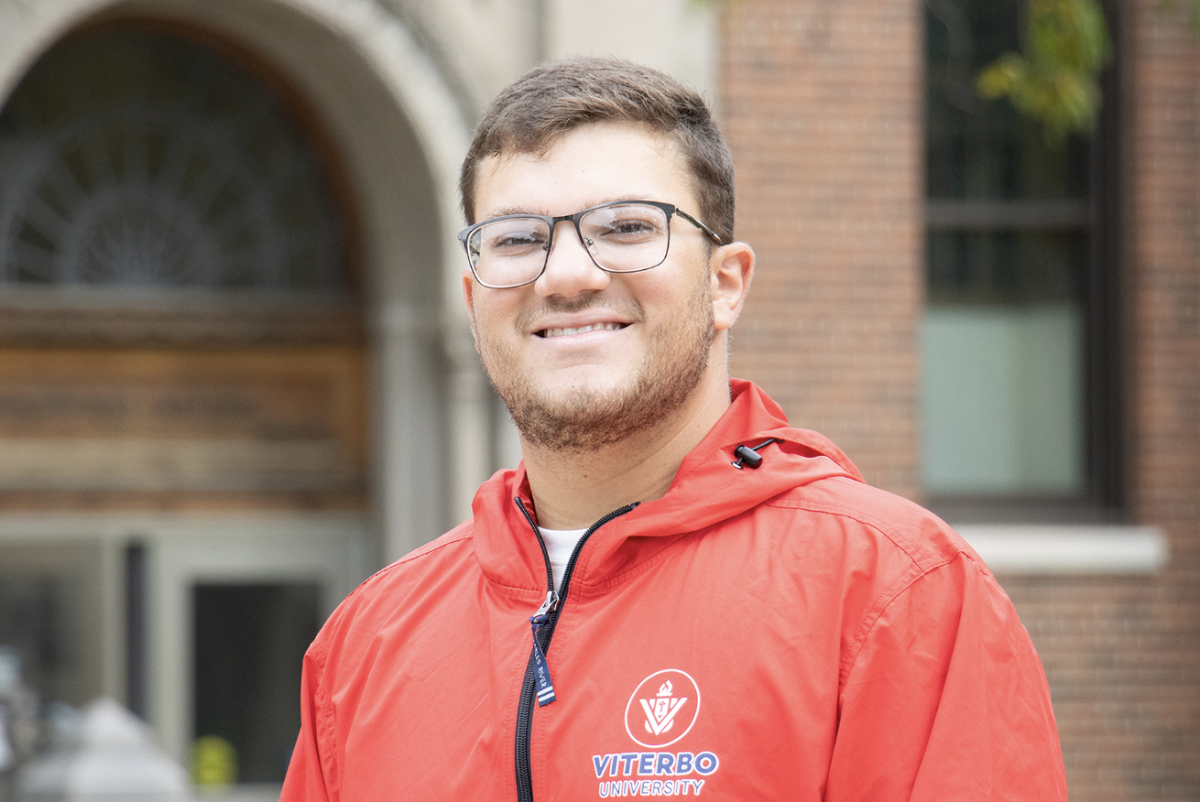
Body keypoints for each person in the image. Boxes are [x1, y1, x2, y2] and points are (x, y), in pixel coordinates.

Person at [280, 56, 1067, 801]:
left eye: (626, 227)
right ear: (473, 296)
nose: (567, 275)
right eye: (518, 239)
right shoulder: (367, 644)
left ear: (726, 284)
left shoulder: (894, 595)